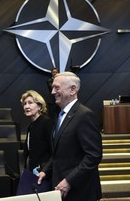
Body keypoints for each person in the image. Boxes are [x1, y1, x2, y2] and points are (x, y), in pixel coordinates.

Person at [38, 72, 103, 201]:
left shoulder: (84, 115)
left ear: (73, 89)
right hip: (62, 189)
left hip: (80, 192)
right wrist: (46, 170)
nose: (52, 92)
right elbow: (59, 152)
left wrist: (69, 181)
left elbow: (93, 156)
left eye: (57, 88)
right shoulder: (60, 116)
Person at [20, 90, 54, 174]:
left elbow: (54, 152)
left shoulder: (47, 123)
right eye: (25, 104)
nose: (26, 106)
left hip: (44, 174)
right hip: (32, 172)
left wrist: (44, 169)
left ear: (39, 106)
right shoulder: (30, 126)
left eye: (30, 103)